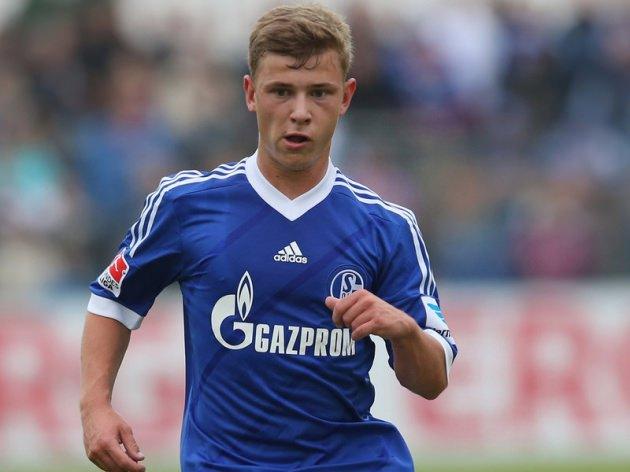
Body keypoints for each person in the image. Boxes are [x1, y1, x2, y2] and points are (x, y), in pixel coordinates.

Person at [80, 4, 457, 471]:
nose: (300, 112)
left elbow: (432, 380)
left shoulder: (387, 226)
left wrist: (404, 331)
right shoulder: (186, 205)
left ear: (346, 97)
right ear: (251, 93)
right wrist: (94, 406)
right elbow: (112, 301)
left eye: (319, 93)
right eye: (281, 91)